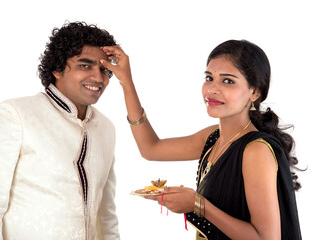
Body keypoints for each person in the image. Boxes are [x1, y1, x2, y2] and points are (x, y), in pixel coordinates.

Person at [100, 40, 302, 239]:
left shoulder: (255, 150)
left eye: (228, 81)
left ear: (254, 92)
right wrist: (126, 81)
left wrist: (198, 205)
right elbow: (150, 149)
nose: (212, 89)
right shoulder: (213, 137)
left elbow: (266, 238)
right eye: (209, 78)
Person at [0, 21, 120, 240]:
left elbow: (107, 215)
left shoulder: (105, 128)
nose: (98, 78)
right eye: (85, 65)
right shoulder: (15, 114)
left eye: (105, 70)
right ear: (57, 69)